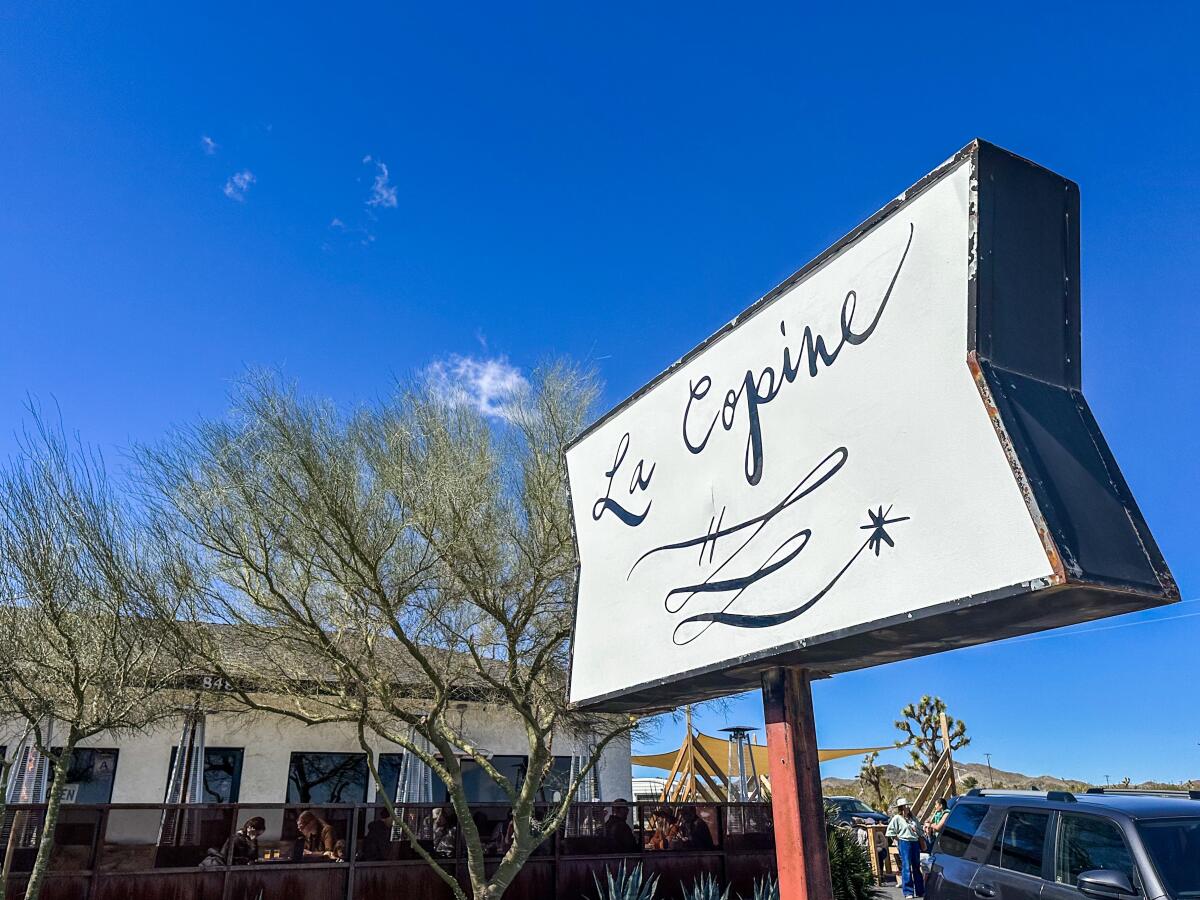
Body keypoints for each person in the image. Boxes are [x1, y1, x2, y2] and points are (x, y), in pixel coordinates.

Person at [887, 798, 925, 898]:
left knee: (916, 866)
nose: (907, 807)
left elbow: (920, 829)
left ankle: (920, 890)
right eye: (905, 805)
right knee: (907, 866)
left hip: (915, 842)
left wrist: (919, 834)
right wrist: (898, 840)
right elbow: (890, 831)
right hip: (904, 842)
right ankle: (908, 892)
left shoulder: (913, 818)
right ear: (901, 808)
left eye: (907, 805)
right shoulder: (897, 818)